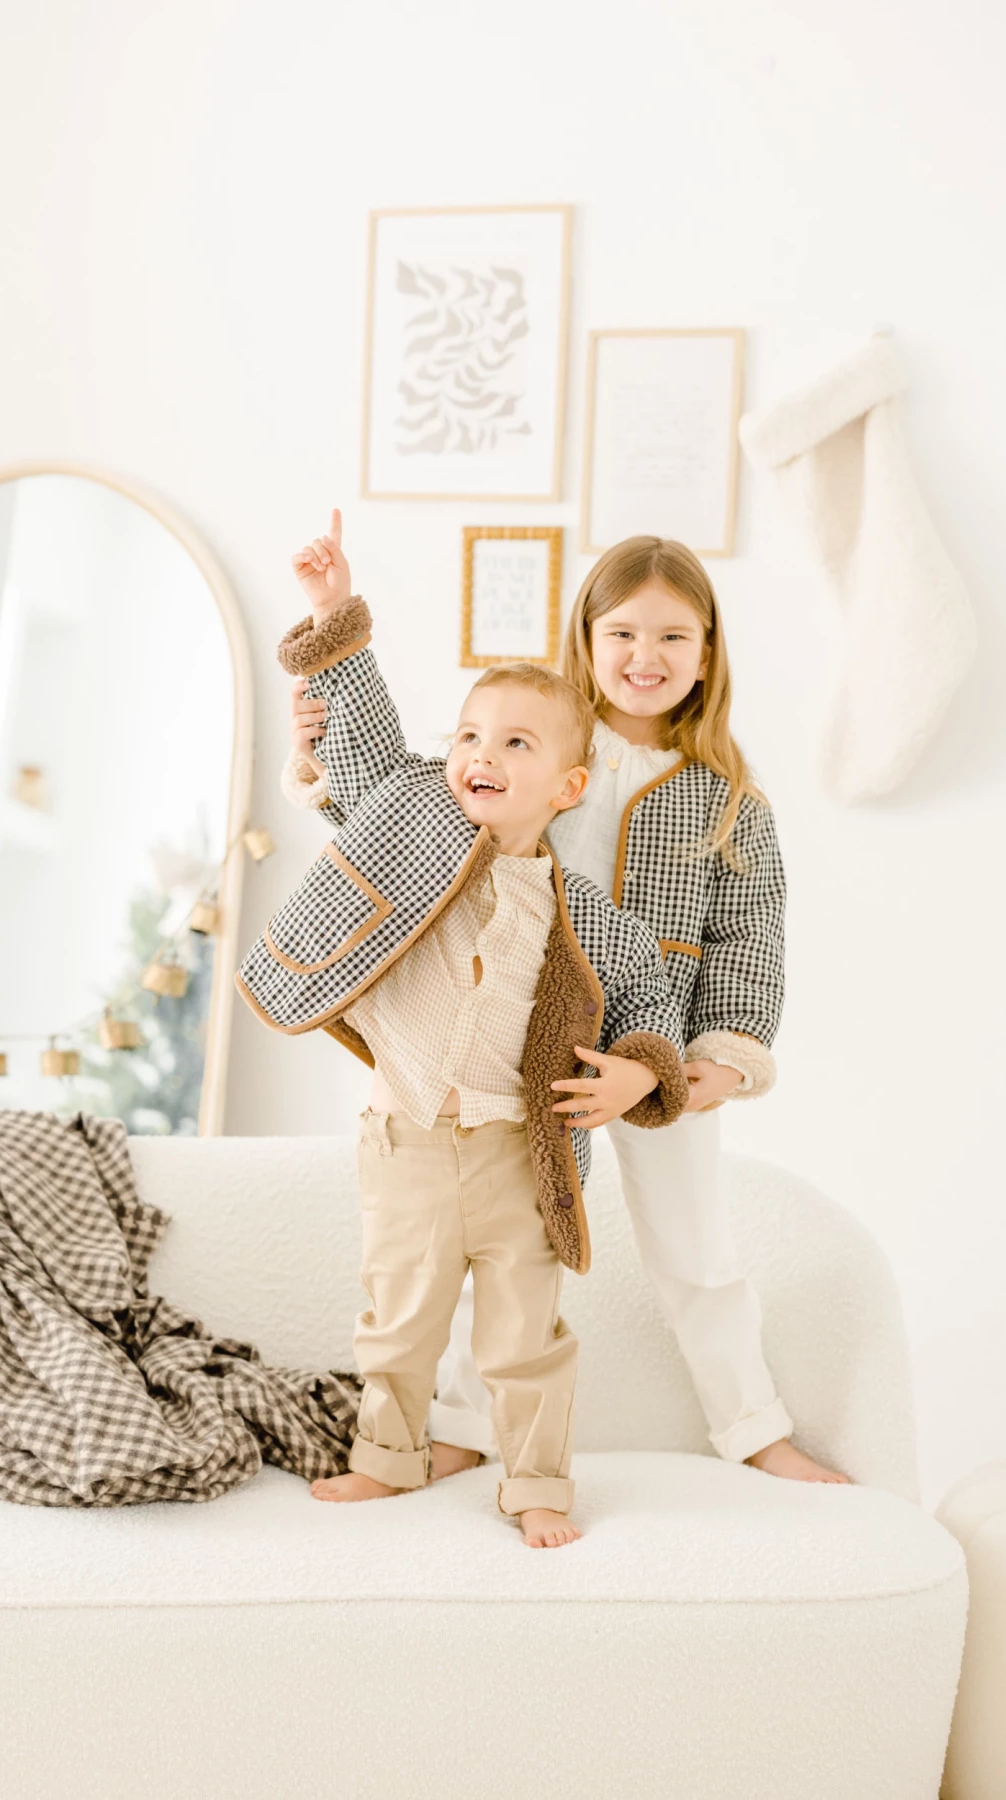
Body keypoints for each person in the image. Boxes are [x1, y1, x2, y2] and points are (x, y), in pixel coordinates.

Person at [287, 522, 848, 1486]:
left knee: (697, 1251)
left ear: (707, 652)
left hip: (657, 1059)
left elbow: (748, 941)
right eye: (622, 632)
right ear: (586, 638)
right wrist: (329, 686)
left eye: (672, 636)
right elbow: (403, 809)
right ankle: (461, 1425)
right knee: (498, 1241)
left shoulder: (730, 803)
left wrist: (707, 1067)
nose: (645, 655)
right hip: (517, 1048)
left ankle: (754, 1427)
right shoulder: (539, 749)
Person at [237, 515, 690, 1550]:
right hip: (406, 1139)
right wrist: (332, 611)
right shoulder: (415, 824)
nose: (482, 756)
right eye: (471, 737)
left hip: (518, 1155)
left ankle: (537, 1484)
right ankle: (386, 1458)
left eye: (516, 744)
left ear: (567, 788)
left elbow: (651, 999)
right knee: (398, 1321)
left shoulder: (586, 916)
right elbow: (362, 739)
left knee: (525, 1338)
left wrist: (638, 1073)